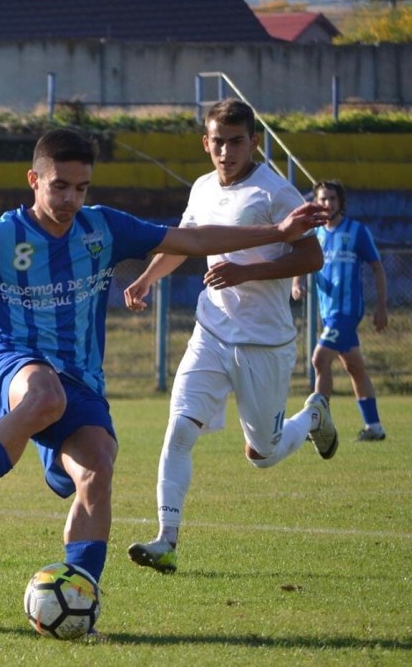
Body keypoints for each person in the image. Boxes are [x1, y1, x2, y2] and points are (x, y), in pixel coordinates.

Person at [0, 127, 326, 591]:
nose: (70, 199)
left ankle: (79, 594)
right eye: (60, 186)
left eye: (81, 188)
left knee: (97, 469)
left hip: (81, 381)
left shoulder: (104, 228)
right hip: (16, 362)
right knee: (45, 395)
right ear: (34, 180)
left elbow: (191, 240)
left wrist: (279, 233)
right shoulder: (0, 235)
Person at [123, 98, 336, 576]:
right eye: (218, 142)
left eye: (236, 141)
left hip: (264, 342)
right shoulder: (201, 188)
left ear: (253, 142)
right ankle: (166, 540)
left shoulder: (275, 192)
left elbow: (312, 258)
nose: (226, 151)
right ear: (206, 143)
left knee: (262, 454)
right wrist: (147, 278)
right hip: (211, 331)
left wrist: (245, 274)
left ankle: (313, 414)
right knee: (179, 429)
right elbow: (185, 242)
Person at [292, 180, 388, 441]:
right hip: (329, 313)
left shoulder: (357, 231)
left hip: (346, 312)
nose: (327, 204)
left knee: (319, 359)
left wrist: (381, 307)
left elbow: (377, 267)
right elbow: (303, 259)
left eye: (332, 199)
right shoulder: (315, 234)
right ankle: (374, 428)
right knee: (355, 367)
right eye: (322, 199)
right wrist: (297, 282)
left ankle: (317, 423)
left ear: (340, 202)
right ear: (315, 202)